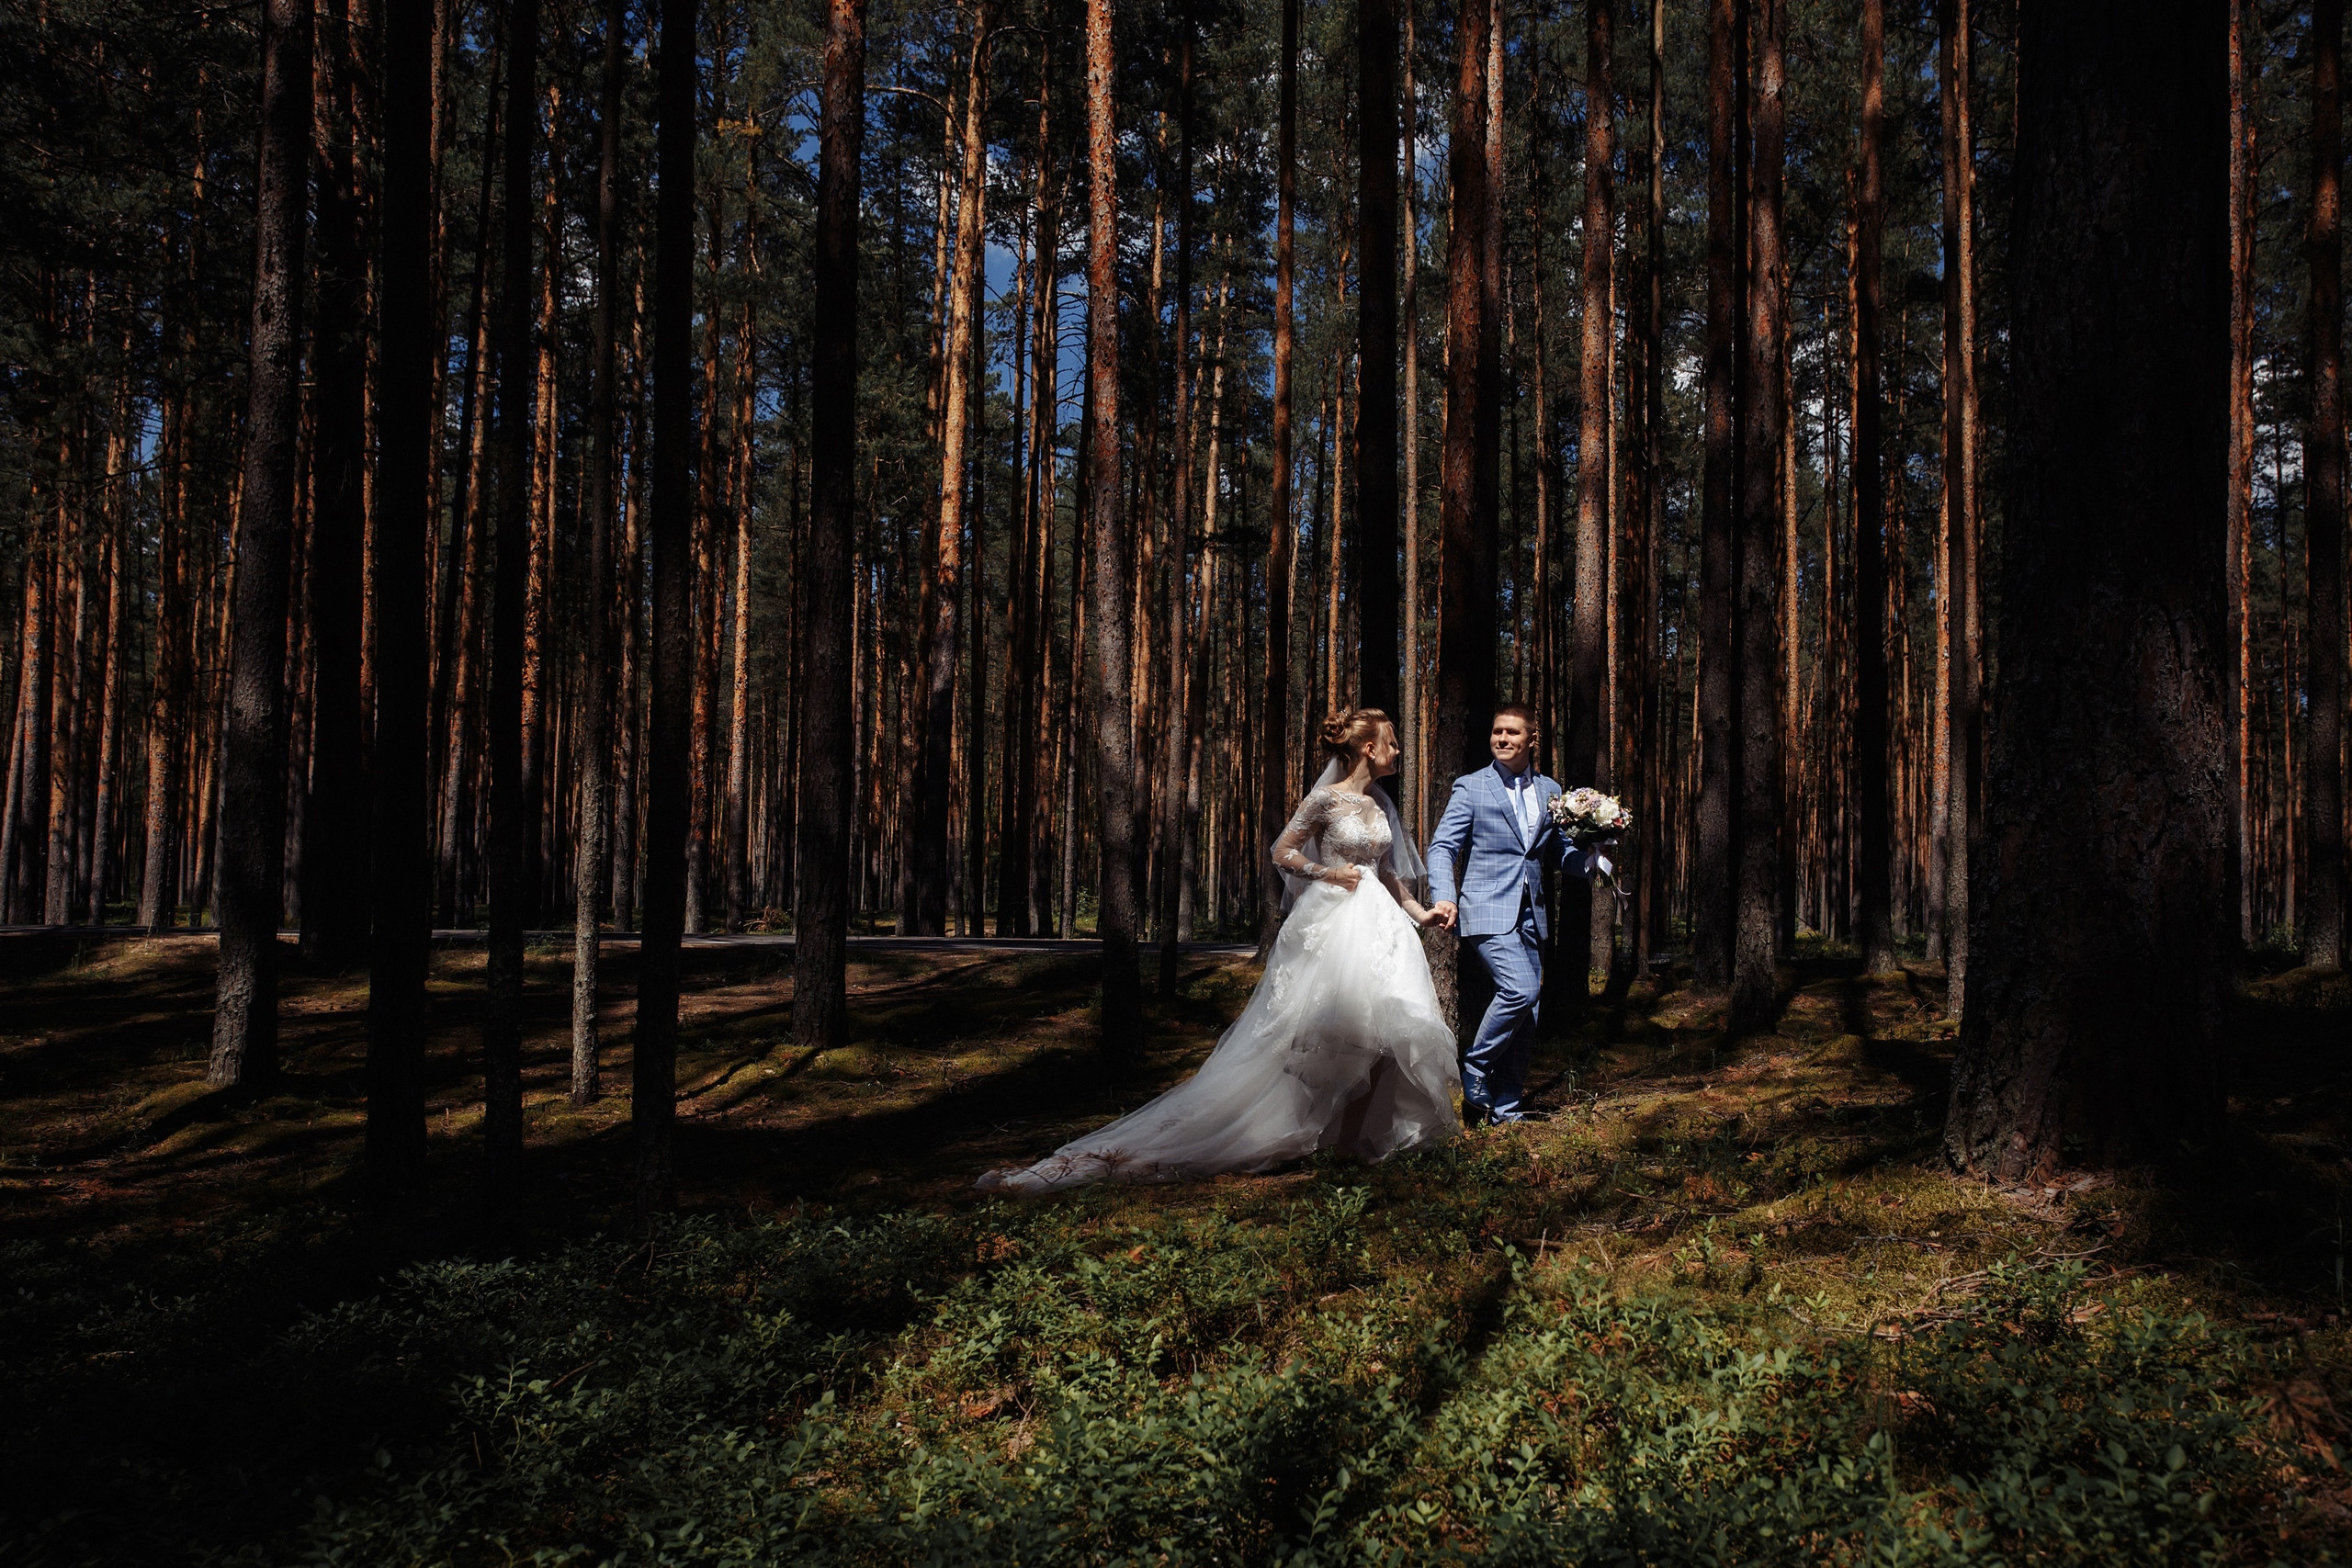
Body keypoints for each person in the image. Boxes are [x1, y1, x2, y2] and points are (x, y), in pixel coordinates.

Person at [978, 708, 1456, 1192]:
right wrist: (1329, 874)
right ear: (1369, 749)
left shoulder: (1380, 805)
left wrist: (1421, 914)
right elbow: (1281, 851)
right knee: (1332, 1034)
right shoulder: (1325, 800)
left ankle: (1351, 1143)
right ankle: (1305, 1132)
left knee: (1386, 1032)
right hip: (1334, 922)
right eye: (1392, 743)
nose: (1398, 751)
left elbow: (1391, 873)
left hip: (1380, 926)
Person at [1425, 705, 1610, 1124]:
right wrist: (1445, 896)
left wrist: (1594, 860)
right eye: (1497, 732)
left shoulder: (1550, 790)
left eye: (1512, 733)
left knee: (1529, 1015)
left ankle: (1505, 1112)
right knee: (1521, 990)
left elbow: (1560, 852)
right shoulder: (1471, 787)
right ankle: (1474, 1065)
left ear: (1532, 740)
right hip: (1485, 908)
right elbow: (1442, 848)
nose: (1502, 739)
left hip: (1533, 913)